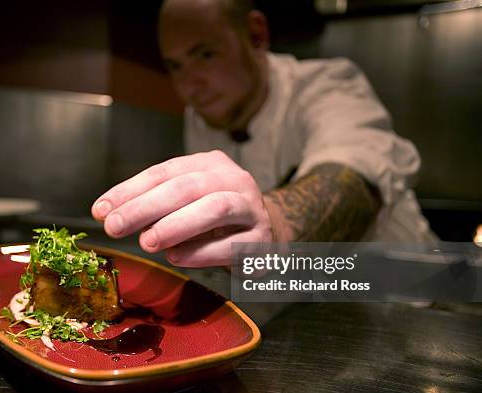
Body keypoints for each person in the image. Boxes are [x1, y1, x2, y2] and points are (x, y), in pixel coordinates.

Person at [91, 0, 436, 268]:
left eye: (206, 54)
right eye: (175, 66)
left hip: (404, 294)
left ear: (256, 35)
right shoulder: (201, 114)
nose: (189, 84)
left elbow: (351, 182)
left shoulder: (329, 86)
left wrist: (273, 227)